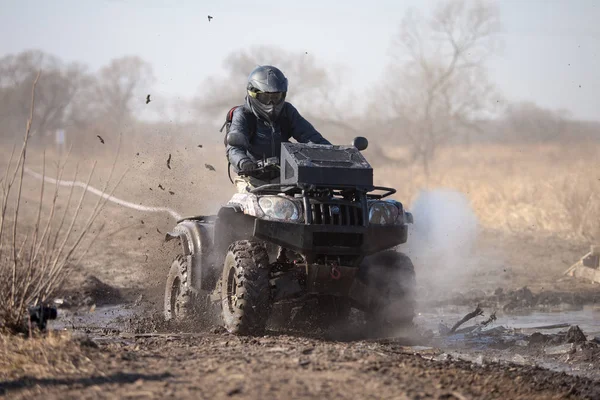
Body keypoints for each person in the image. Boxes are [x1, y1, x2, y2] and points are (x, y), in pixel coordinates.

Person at [225, 65, 331, 193]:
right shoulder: (243, 114)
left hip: (286, 178)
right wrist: (244, 163)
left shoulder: (287, 111)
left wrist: (334, 156)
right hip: (251, 179)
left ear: (283, 95)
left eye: (276, 97)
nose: (271, 104)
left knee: (311, 202)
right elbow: (234, 148)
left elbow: (312, 138)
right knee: (247, 208)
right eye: (265, 97)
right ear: (253, 94)